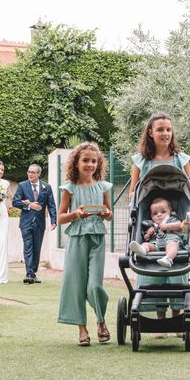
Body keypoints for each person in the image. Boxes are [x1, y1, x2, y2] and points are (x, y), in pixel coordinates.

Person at [129, 112, 190, 337]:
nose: (165, 133)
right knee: (151, 274)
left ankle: (178, 321)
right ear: (150, 132)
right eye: (160, 129)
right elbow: (134, 194)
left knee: (176, 276)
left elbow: (189, 194)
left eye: (168, 129)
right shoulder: (141, 161)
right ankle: (158, 320)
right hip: (151, 223)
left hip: (173, 226)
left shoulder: (181, 159)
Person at [57, 142, 113, 346]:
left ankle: (101, 321)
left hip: (97, 238)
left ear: (98, 163)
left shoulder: (104, 187)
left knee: (95, 285)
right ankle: (82, 329)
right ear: (76, 162)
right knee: (76, 285)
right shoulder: (69, 189)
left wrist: (108, 214)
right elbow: (60, 218)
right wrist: (75, 214)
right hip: (77, 239)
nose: (90, 164)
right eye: (86, 160)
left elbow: (109, 215)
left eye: (94, 161)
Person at [12, 164, 57, 284]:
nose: (30, 174)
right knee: (28, 247)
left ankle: (33, 272)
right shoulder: (22, 185)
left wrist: (53, 220)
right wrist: (29, 205)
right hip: (26, 222)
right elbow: (15, 202)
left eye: (33, 172)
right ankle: (29, 274)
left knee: (37, 249)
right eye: (28, 172)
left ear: (38, 174)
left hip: (40, 223)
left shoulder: (46, 187)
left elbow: (51, 204)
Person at [130, 197, 184, 268]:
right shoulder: (151, 225)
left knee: (172, 245)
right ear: (151, 216)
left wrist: (167, 226)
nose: (159, 215)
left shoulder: (172, 219)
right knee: (146, 244)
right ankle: (142, 250)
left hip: (171, 240)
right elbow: (146, 238)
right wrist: (148, 234)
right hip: (155, 244)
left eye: (163, 212)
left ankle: (168, 258)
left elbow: (180, 225)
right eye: (155, 214)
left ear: (170, 212)